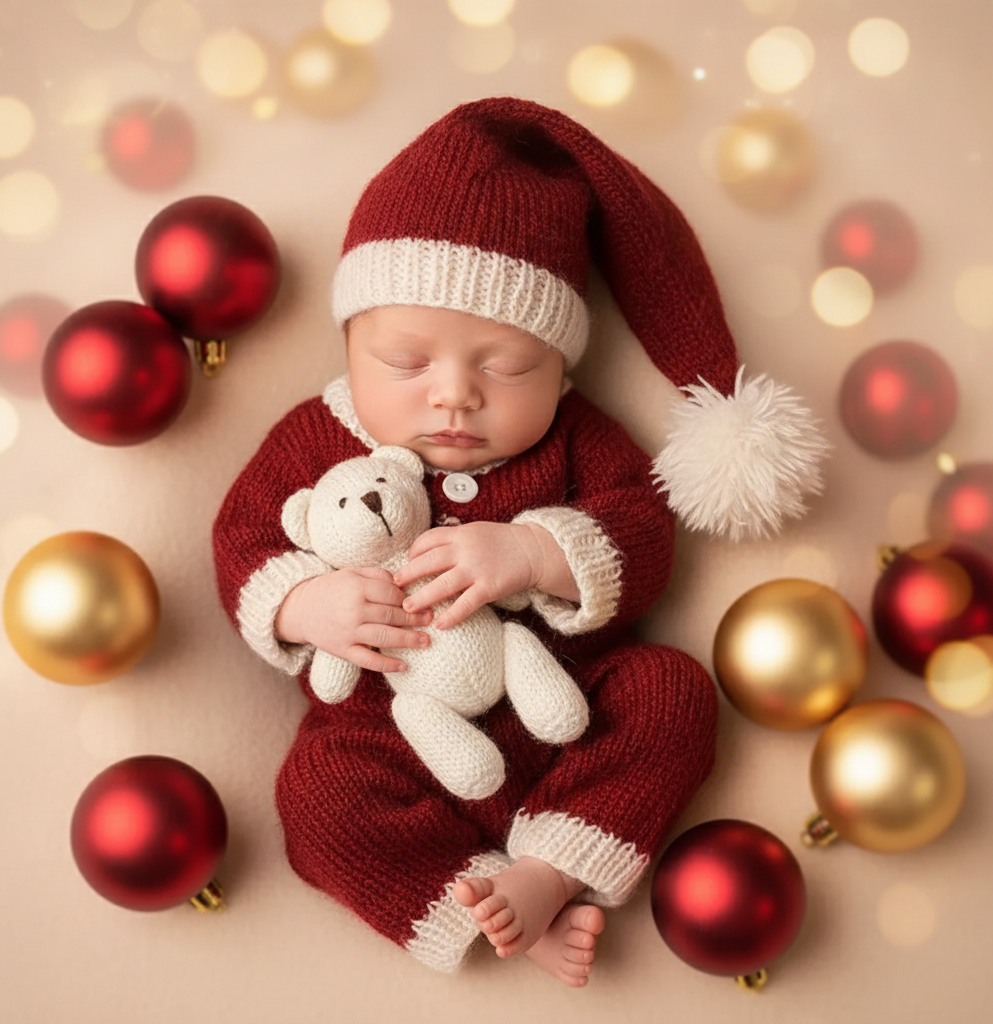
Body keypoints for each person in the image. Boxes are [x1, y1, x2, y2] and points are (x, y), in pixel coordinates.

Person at [212, 97, 826, 987]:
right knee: (316, 802)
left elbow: (644, 531)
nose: (454, 396)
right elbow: (241, 536)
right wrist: (306, 605)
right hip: (390, 736)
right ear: (349, 345)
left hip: (570, 709)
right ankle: (481, 894)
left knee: (671, 693)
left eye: (505, 366)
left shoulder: (579, 438)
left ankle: (554, 867)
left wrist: (539, 553)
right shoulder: (315, 439)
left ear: (563, 366)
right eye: (407, 363)